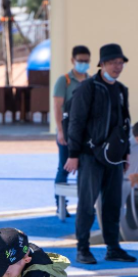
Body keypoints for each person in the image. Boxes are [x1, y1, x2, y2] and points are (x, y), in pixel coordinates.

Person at [65, 43, 137, 265]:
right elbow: (76, 122)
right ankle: (82, 248)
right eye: (113, 62)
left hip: (114, 158)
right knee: (87, 204)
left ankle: (113, 247)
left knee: (113, 203)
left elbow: (124, 124)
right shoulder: (88, 88)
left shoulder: (122, 90)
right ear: (103, 64)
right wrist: (73, 153)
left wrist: (126, 153)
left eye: (120, 63)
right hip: (89, 156)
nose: (118, 67)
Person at [52, 45, 91, 217]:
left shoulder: (91, 81)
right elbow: (58, 107)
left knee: (87, 169)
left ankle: (86, 204)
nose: (83, 64)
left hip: (87, 135)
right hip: (67, 134)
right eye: (80, 60)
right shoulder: (64, 81)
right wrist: (61, 131)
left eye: (86, 61)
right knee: (65, 168)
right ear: (72, 60)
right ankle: (61, 205)